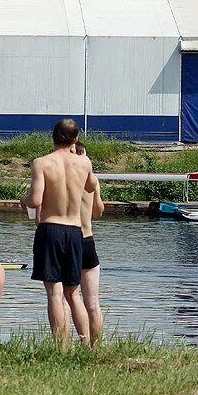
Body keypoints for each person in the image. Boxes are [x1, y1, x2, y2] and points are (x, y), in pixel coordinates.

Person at [20, 119, 99, 348]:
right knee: (73, 294)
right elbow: (92, 186)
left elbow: (35, 200)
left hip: (51, 228)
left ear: (52, 137)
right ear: (75, 139)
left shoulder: (41, 163)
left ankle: (60, 347)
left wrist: (23, 200)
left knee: (55, 293)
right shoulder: (84, 163)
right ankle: (86, 345)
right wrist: (84, 166)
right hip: (75, 231)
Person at [75, 143, 105, 346]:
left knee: (66, 296)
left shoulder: (65, 176)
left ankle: (76, 342)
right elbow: (98, 212)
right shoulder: (92, 180)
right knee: (93, 303)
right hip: (88, 239)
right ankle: (96, 346)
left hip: (67, 238)